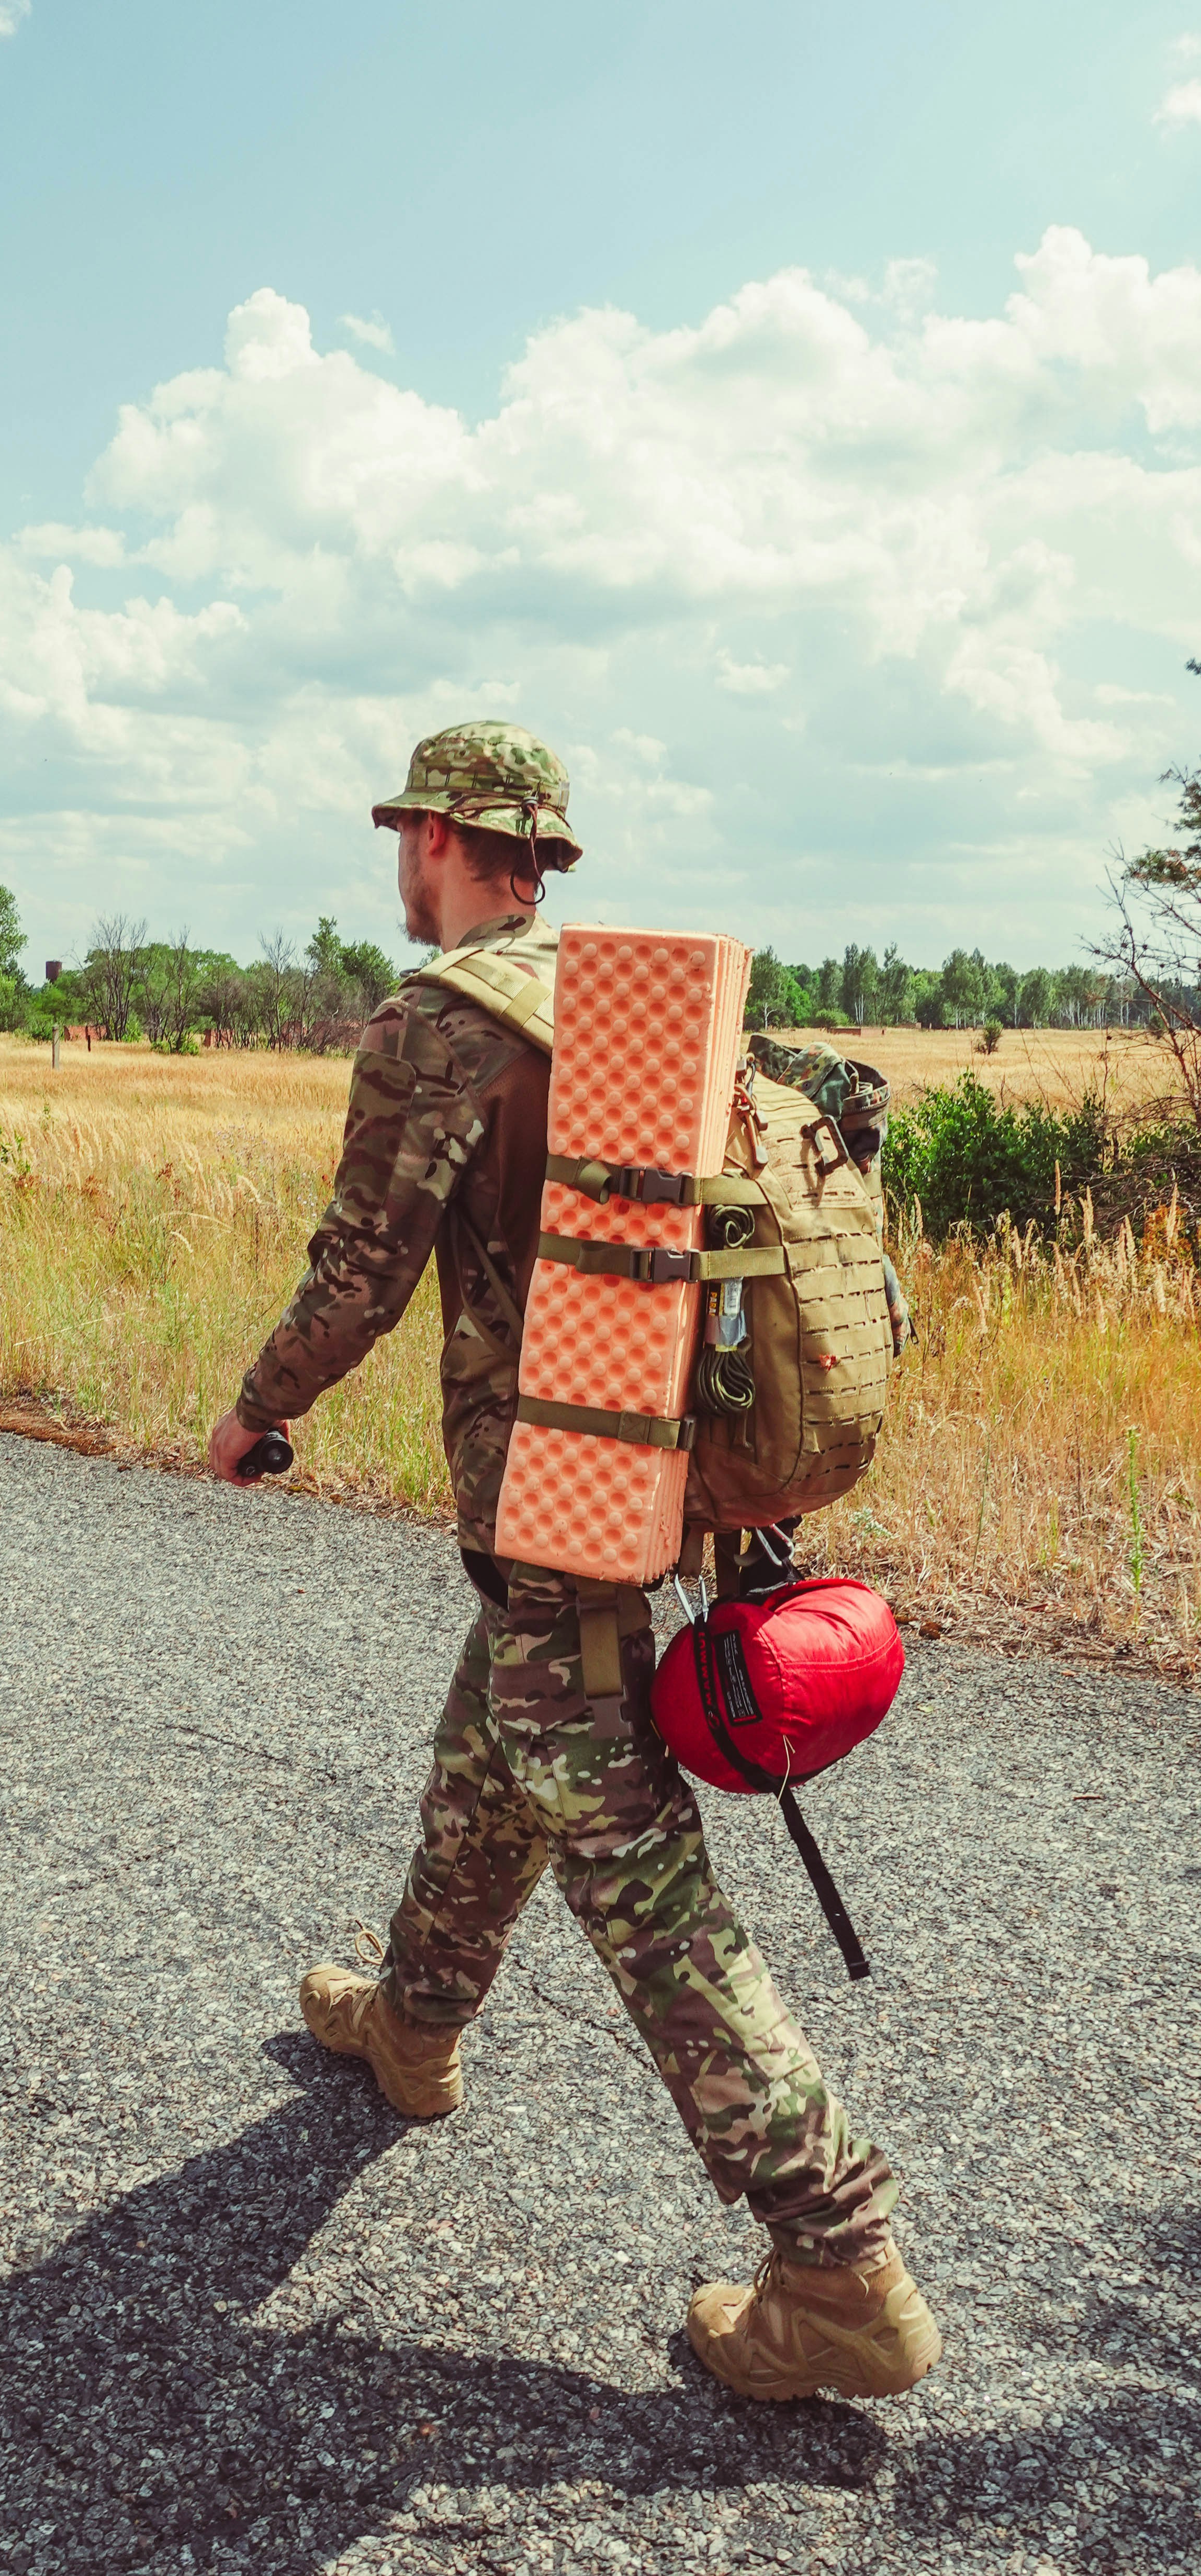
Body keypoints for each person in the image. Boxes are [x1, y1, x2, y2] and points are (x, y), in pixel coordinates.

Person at [207, 720, 940, 2403]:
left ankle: (839, 2261)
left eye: (408, 830)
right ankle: (412, 2027)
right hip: (660, 1492)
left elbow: (357, 1274)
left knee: (649, 1897)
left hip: (558, 1512)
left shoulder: (439, 1026)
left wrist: (257, 1414)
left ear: (447, 840)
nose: (400, 857)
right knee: (492, 1759)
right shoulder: (638, 1004)